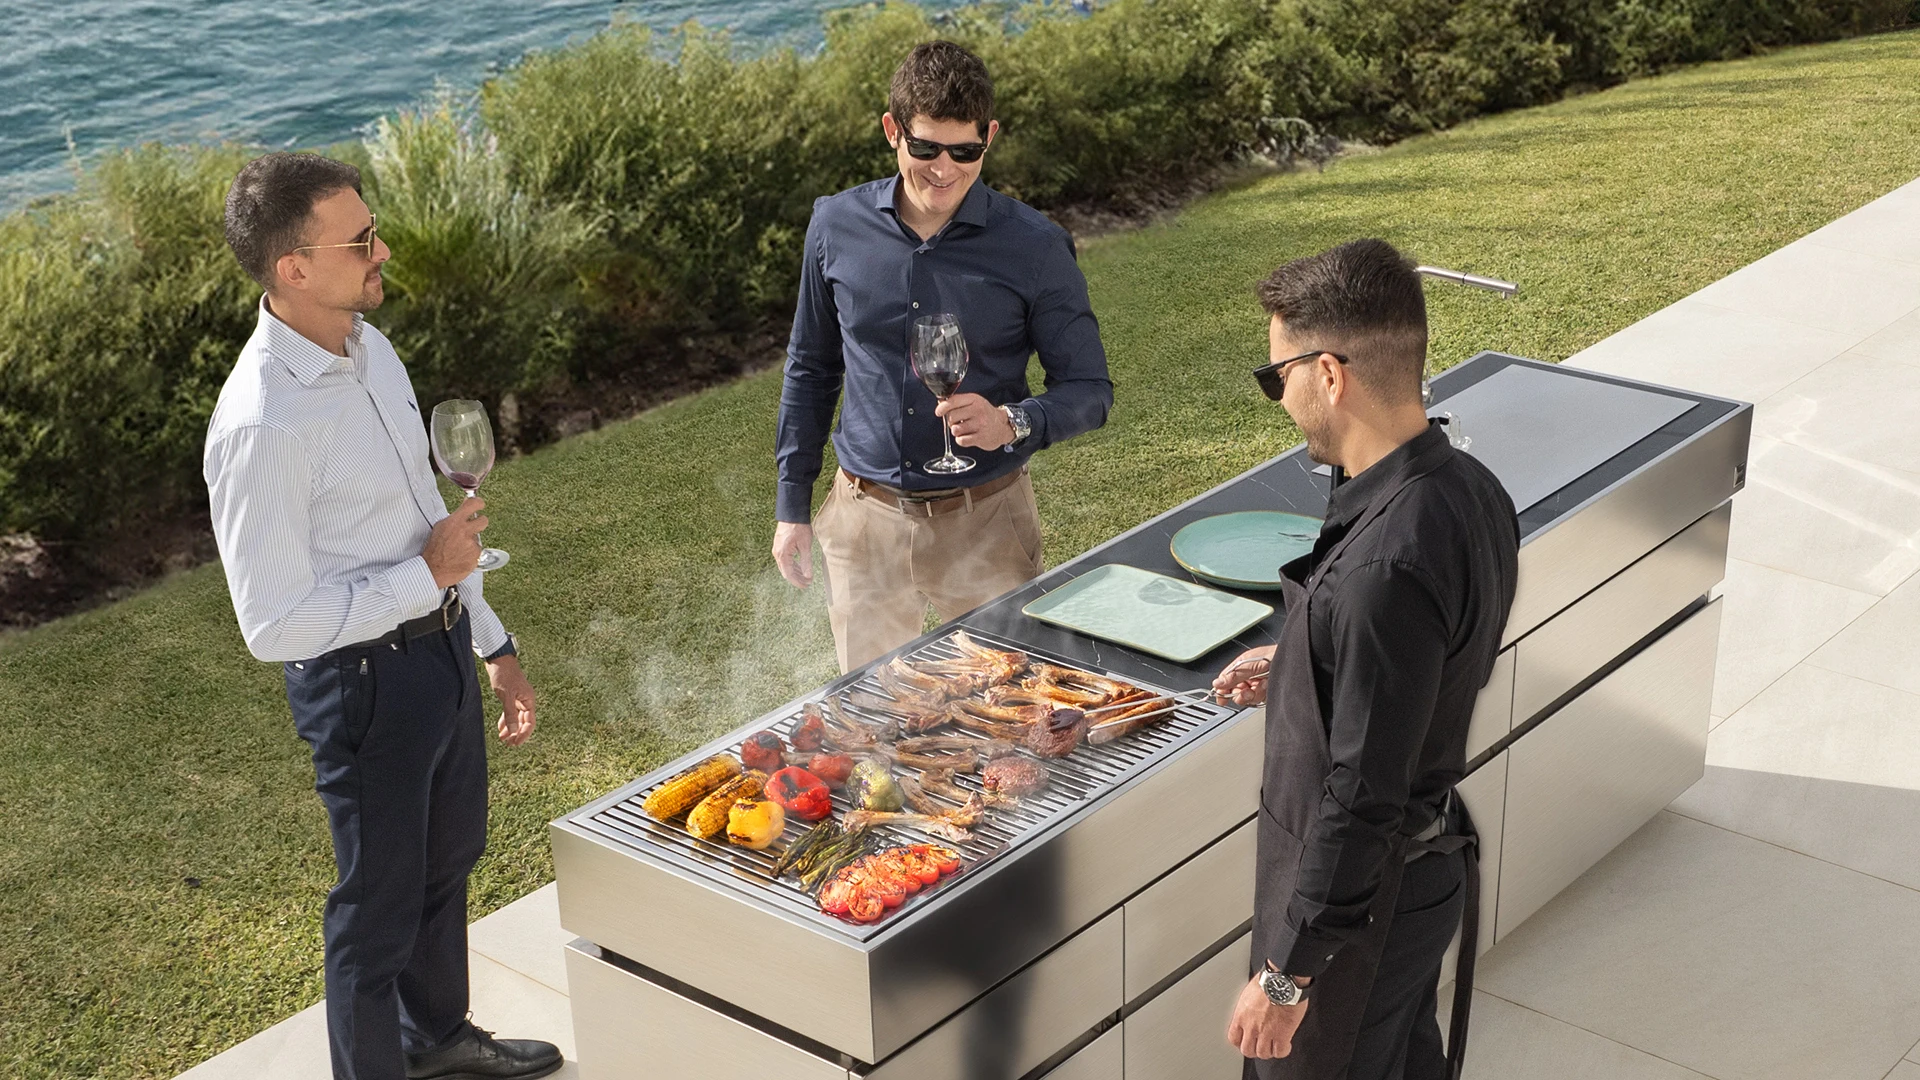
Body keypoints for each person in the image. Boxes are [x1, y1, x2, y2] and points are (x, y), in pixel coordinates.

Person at [205, 152, 561, 1080]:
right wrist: (425, 578)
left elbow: (428, 528)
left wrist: (493, 642)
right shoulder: (260, 424)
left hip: (437, 652)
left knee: (451, 860)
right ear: (293, 269)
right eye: (361, 240)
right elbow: (271, 626)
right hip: (359, 685)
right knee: (376, 907)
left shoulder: (371, 349)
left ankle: (436, 1039)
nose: (383, 249)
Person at [1213, 239, 1519, 1080]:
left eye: (1277, 376)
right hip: (1409, 885)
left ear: (1330, 374)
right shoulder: (1466, 489)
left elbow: (1361, 792)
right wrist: (1306, 660)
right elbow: (1424, 672)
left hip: (1357, 917)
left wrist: (1285, 976)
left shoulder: (1388, 562)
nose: (1279, 398)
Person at [771, 40, 1113, 672]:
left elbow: (1090, 389)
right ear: (892, 131)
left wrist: (1014, 421)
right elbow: (811, 368)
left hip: (987, 522)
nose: (943, 170)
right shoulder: (834, 225)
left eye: (965, 151)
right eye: (925, 148)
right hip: (863, 522)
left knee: (1003, 716)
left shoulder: (1035, 247)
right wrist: (793, 505)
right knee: (873, 721)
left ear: (990, 138)